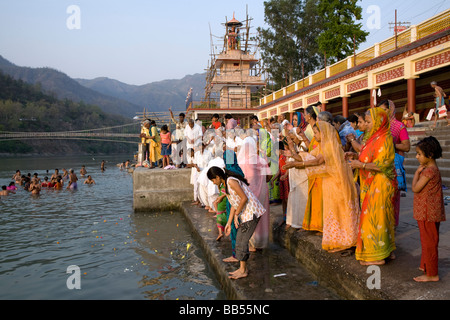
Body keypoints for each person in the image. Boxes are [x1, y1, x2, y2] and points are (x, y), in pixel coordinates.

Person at [290, 122, 360, 252]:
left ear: (324, 133)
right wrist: (293, 156)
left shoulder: (329, 145)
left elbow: (317, 161)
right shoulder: (322, 145)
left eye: (316, 133)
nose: (315, 135)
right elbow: (310, 156)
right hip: (329, 184)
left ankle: (345, 240)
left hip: (337, 184)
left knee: (338, 211)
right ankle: (338, 240)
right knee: (333, 212)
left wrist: (296, 163)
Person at [349, 107, 397, 265]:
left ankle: (375, 256)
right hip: (372, 183)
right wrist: (355, 156)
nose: (367, 124)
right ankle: (386, 251)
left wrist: (360, 165)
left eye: (369, 122)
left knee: (374, 219)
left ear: (379, 122)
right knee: (382, 219)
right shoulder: (372, 137)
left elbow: (382, 165)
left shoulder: (385, 138)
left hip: (381, 182)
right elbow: (368, 156)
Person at [207, 166, 266, 280]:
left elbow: (244, 198)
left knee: (241, 240)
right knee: (240, 240)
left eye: (213, 180)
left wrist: (236, 215)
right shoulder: (226, 185)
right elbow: (234, 204)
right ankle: (242, 268)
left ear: (218, 177)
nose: (214, 183)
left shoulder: (231, 181)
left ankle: (243, 270)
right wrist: (229, 223)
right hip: (246, 214)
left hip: (252, 212)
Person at [411, 136, 445, 282]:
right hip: (429, 212)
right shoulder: (432, 169)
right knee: (429, 240)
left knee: (428, 242)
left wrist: (417, 173)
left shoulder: (428, 172)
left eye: (419, 154)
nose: (417, 157)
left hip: (427, 213)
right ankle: (426, 265)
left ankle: (432, 274)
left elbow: (415, 188)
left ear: (429, 155)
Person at [378, 100, 410, 227]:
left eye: (384, 110)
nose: (382, 113)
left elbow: (406, 146)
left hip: (392, 166)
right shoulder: (378, 126)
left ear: (390, 110)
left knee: (392, 198)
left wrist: (391, 145)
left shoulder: (398, 126)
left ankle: (392, 226)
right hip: (379, 165)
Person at [282, 131, 310, 230]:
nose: (292, 141)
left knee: (302, 200)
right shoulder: (297, 146)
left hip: (303, 177)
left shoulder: (303, 146)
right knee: (294, 199)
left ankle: (302, 223)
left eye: (293, 138)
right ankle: (292, 222)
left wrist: (291, 147)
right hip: (295, 178)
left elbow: (301, 160)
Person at [302, 105, 323, 233]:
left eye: (305, 114)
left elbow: (316, 151)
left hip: (319, 169)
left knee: (319, 200)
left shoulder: (318, 129)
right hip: (312, 166)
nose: (304, 116)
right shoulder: (309, 128)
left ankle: (319, 225)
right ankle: (314, 225)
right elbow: (312, 149)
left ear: (309, 115)